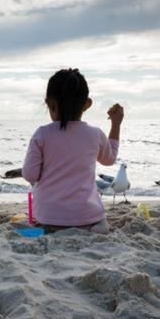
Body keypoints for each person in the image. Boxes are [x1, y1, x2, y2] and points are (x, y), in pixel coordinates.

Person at [22, 68, 124, 234]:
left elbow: (30, 175)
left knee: (37, 229)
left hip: (48, 217)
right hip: (87, 217)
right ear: (87, 104)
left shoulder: (42, 134)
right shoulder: (95, 134)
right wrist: (116, 124)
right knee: (102, 226)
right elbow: (109, 160)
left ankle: (44, 231)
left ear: (49, 103)